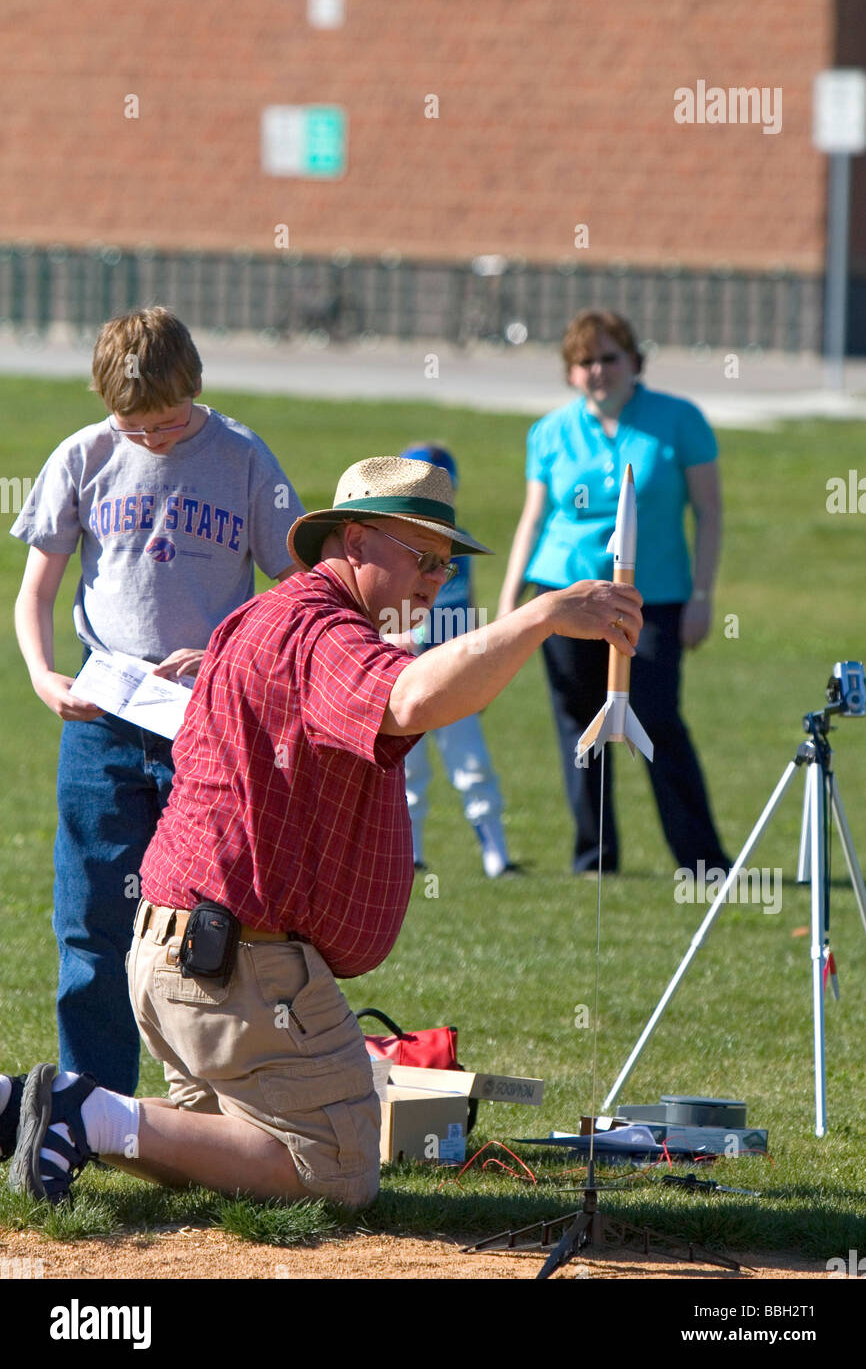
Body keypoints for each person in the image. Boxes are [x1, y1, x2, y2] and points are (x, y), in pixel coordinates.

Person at [3, 455, 642, 1208]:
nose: (437, 580)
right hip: (234, 971)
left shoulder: (277, 616)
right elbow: (407, 699)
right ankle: (81, 1113)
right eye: (424, 558)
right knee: (336, 1171)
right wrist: (540, 616)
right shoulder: (324, 634)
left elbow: (389, 673)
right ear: (360, 543)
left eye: (447, 564)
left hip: (180, 960)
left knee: (233, 1151)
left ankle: (30, 1109)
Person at [9, 307, 303, 1099]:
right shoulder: (83, 455)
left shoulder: (242, 458)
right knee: (91, 922)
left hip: (208, 725)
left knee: (212, 922)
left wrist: (221, 656)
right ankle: (89, 1106)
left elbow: (300, 595)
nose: (154, 440)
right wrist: (43, 675)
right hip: (102, 720)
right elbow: (34, 592)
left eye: (169, 424)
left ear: (195, 389)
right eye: (135, 427)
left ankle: (209, 1103)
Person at [497, 309, 730, 876]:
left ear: (634, 362)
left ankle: (702, 861)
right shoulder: (550, 432)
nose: (598, 370)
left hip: (655, 597)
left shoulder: (679, 421)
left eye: (609, 357)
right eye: (585, 361)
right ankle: (594, 858)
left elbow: (710, 510)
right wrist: (509, 604)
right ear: (571, 373)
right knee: (578, 722)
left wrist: (702, 596)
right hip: (564, 591)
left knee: (655, 716)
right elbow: (534, 518)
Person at [399, 444, 516, 879]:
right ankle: (409, 857)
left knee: (472, 764)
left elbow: (464, 607)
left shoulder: (457, 544)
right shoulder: (393, 545)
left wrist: (480, 666)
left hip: (452, 670)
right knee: (407, 772)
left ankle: (496, 857)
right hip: (404, 670)